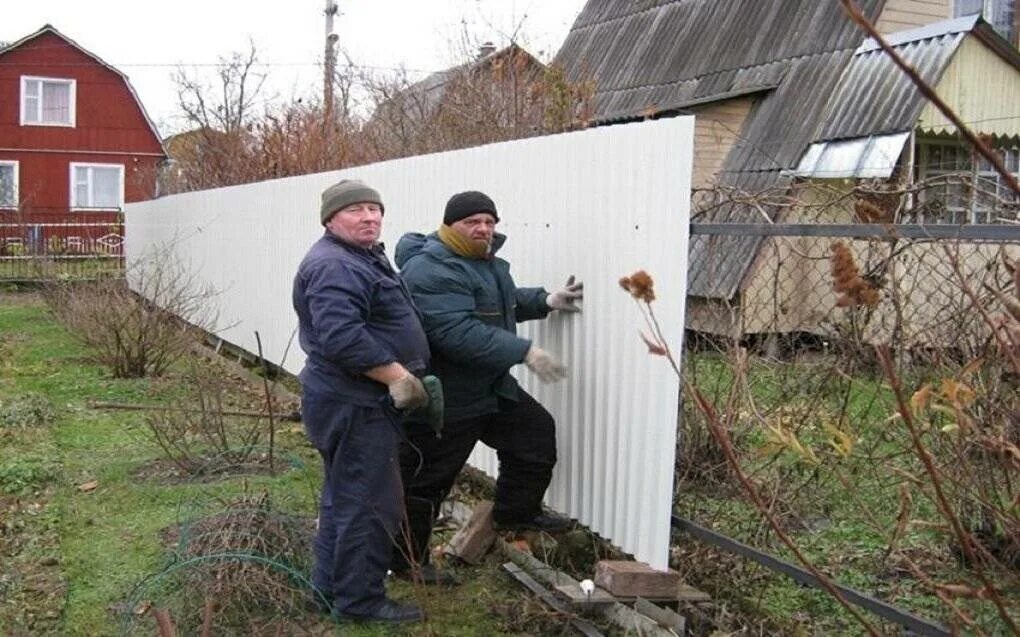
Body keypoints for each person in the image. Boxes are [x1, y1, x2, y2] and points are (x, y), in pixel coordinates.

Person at [391, 190, 583, 582]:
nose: (483, 228)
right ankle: (407, 561)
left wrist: (545, 299)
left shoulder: (480, 260)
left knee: (534, 435)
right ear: (450, 225)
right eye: (472, 222)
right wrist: (524, 351)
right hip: (445, 396)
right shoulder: (430, 268)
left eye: (489, 221)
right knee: (426, 482)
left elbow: (499, 302)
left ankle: (515, 513)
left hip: (487, 388)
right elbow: (455, 331)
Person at [292, 179, 430, 623]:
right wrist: (398, 376)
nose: (369, 217)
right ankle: (361, 602)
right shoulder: (336, 264)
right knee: (369, 503)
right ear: (331, 219)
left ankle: (330, 589)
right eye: (356, 211)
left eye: (375, 209)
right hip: (354, 402)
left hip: (350, 399)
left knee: (344, 498)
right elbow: (341, 337)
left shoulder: (360, 257)